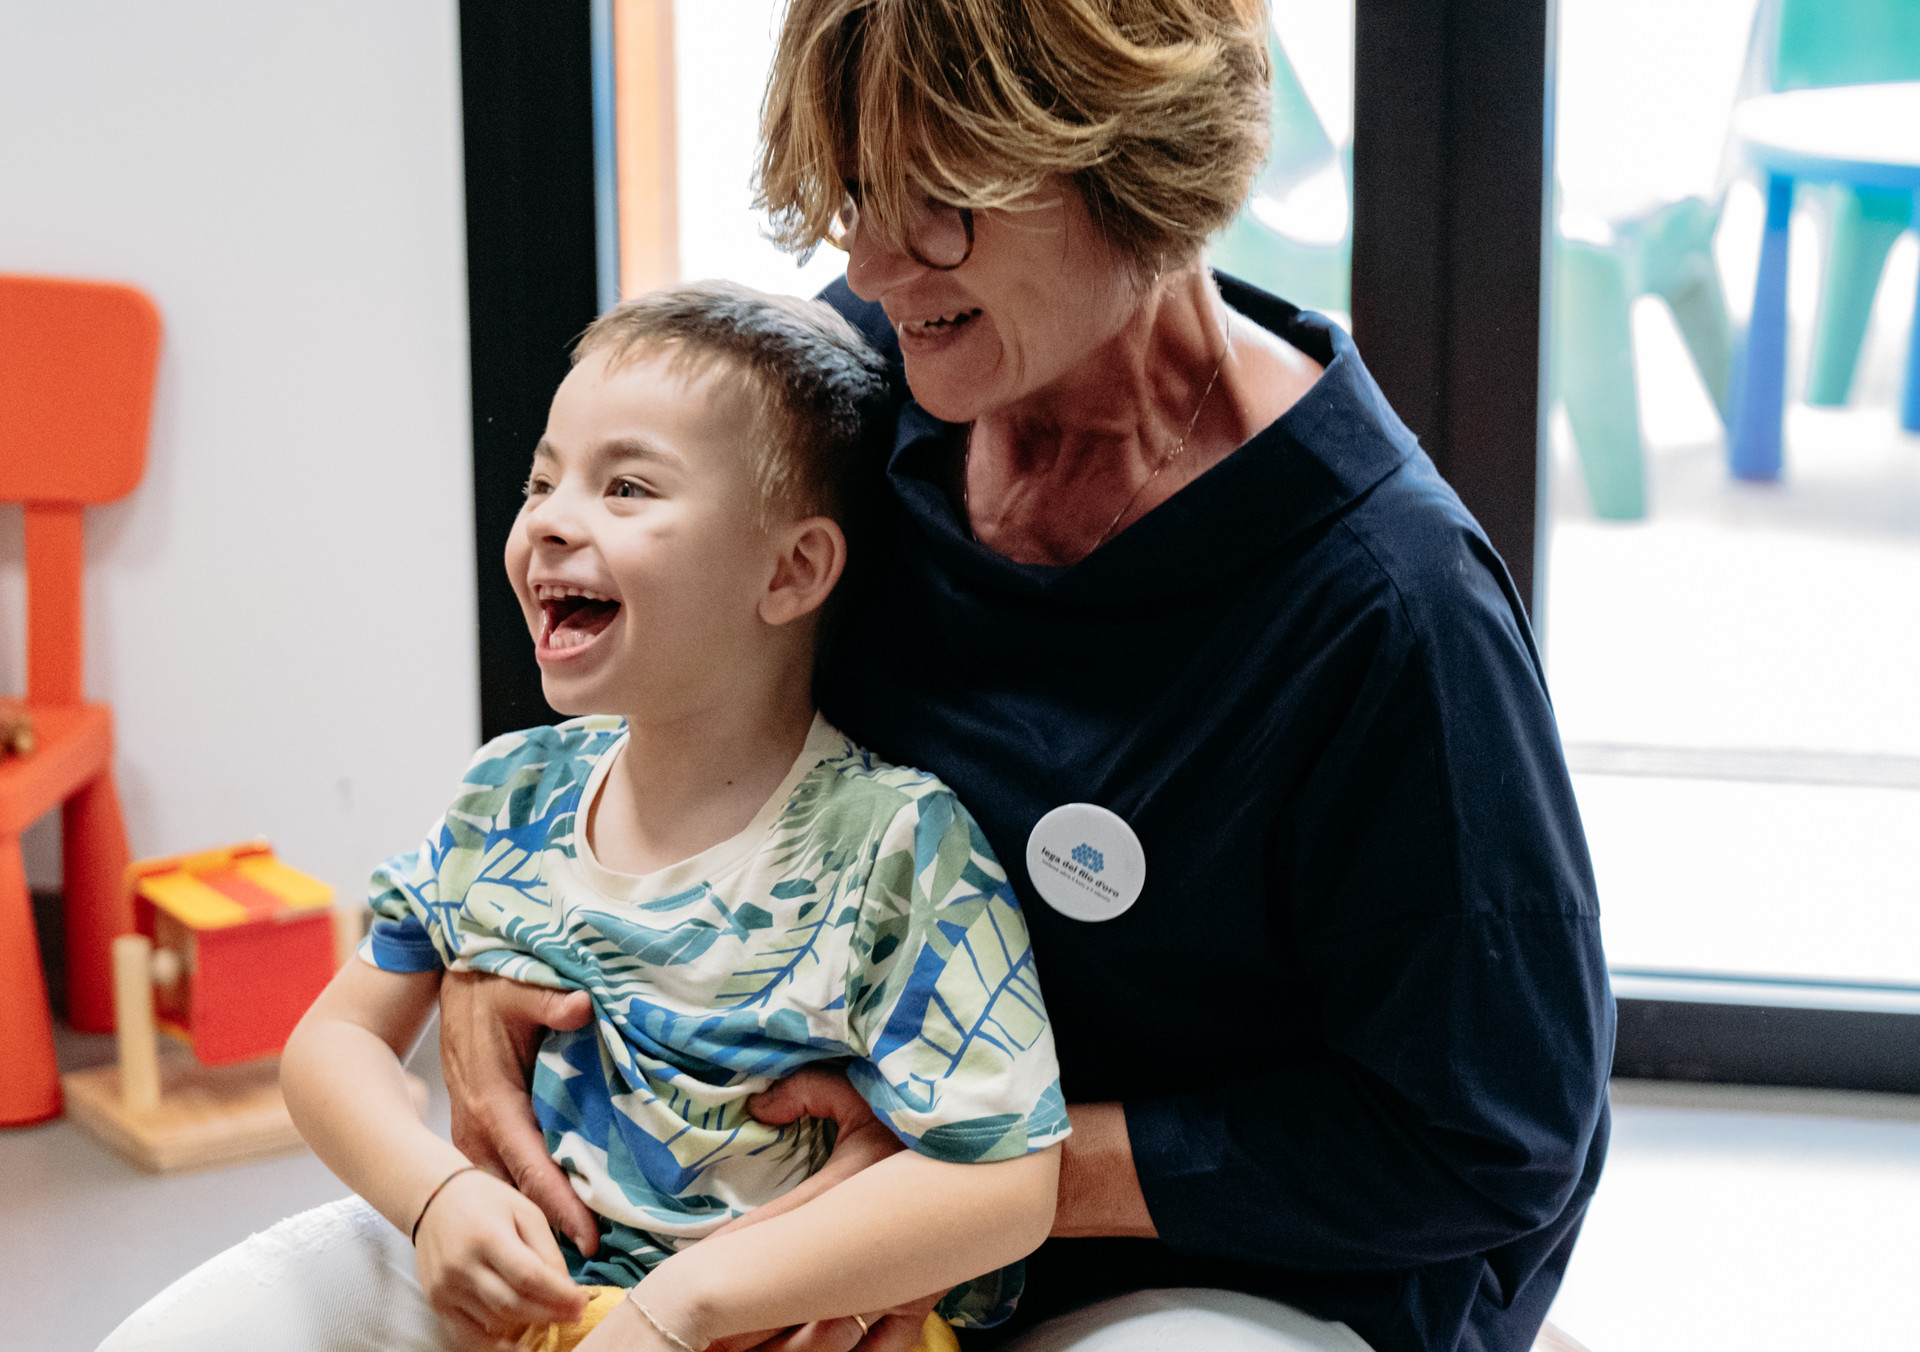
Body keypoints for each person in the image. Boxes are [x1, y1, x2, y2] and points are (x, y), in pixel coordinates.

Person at [444, 4, 1614, 1352]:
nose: (876, 264)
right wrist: (507, 964)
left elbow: (1488, 1144)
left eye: (940, 204)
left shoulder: (1388, 607)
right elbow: (664, 691)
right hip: (793, 1190)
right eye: (859, 193)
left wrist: (978, 1187)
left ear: (1132, 159)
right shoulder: (861, 392)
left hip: (1205, 1270)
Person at [100, 283, 1070, 1352]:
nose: (553, 518)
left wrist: (684, 1302)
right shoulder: (508, 795)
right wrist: (434, 1197)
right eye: (544, 480)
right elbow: (334, 1040)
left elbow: (1007, 1184)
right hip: (535, 1304)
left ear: (792, 569)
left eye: (628, 488)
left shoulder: (898, 845)